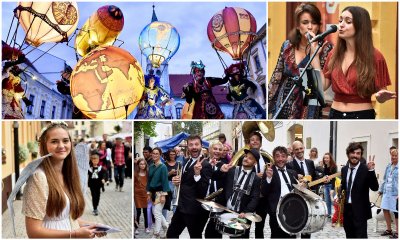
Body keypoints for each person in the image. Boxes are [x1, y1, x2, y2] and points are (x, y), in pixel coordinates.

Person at [22, 122, 106, 238]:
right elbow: (33, 232)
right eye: (54, 141)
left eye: (65, 141)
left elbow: (66, 219)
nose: (61, 146)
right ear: (44, 145)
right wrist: (75, 234)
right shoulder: (39, 177)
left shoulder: (69, 174)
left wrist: (92, 226)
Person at [322, 6, 395, 119]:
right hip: (334, 113)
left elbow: (381, 94)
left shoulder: (375, 57)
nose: (341, 25)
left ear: (361, 26)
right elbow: (323, 86)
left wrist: (381, 96)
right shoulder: (333, 54)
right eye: (340, 20)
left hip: (361, 116)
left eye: (348, 21)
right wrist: (314, 57)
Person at [268, 3, 334, 119]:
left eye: (314, 23)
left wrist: (315, 55)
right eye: (305, 23)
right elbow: (276, 76)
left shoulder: (325, 48)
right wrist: (267, 104)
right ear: (298, 26)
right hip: (284, 101)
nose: (310, 27)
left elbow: (321, 86)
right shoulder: (287, 45)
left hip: (308, 103)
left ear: (318, 26)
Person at [167, 135, 212, 238]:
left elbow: (203, 191)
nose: (194, 147)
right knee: (171, 234)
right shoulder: (186, 161)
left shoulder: (205, 165)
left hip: (194, 211)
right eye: (191, 145)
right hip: (181, 207)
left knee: (195, 236)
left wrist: (197, 174)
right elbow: (185, 182)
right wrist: (177, 180)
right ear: (187, 147)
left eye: (196, 144)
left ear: (201, 146)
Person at [219, 148, 262, 238]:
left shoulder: (256, 179)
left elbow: (255, 198)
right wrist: (221, 171)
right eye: (246, 156)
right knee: (231, 236)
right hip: (229, 211)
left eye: (250, 158)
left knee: (243, 236)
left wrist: (246, 212)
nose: (246, 159)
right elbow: (221, 182)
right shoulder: (232, 171)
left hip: (243, 214)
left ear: (255, 163)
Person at [236, 131, 271, 238]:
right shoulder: (243, 158)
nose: (255, 141)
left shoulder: (266, 158)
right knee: (245, 227)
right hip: (247, 198)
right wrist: (256, 175)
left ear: (260, 143)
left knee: (260, 227)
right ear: (249, 143)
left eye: (257, 140)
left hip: (262, 198)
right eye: (252, 140)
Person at [340, 142, 379, 238]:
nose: (355, 156)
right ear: (348, 154)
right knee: (349, 236)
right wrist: (339, 193)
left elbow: (375, 187)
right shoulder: (344, 169)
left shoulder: (365, 169)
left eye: (358, 153)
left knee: (360, 236)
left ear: (361, 155)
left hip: (360, 211)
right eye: (353, 153)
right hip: (347, 210)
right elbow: (344, 186)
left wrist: (371, 171)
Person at [261, 146, 297, 238]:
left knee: (292, 235)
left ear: (286, 157)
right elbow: (264, 192)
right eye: (277, 156)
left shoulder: (292, 173)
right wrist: (268, 178)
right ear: (273, 158)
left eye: (283, 156)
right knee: (277, 236)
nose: (280, 159)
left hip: (292, 211)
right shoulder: (269, 172)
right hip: (276, 211)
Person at [286, 140, 320, 238]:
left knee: (307, 228)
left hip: (308, 199)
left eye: (301, 148)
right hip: (295, 200)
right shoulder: (289, 164)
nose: (299, 151)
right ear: (293, 151)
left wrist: (322, 180)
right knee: (294, 227)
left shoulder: (310, 162)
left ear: (304, 148)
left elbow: (314, 179)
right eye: (296, 149)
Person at [204, 141, 226, 239]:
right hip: (203, 200)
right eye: (215, 148)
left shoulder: (224, 166)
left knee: (214, 231)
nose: (217, 151)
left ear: (222, 152)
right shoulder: (203, 163)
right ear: (210, 150)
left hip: (218, 202)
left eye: (220, 149)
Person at [147, 148, 170, 238]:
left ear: (160, 155)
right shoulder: (151, 166)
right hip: (153, 193)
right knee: (157, 212)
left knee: (156, 213)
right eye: (153, 153)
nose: (155, 155)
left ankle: (156, 234)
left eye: (157, 153)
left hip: (160, 193)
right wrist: (148, 193)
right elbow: (149, 181)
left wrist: (164, 195)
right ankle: (167, 227)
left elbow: (165, 181)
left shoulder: (163, 167)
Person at [379, 148, 398, 238]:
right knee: (385, 209)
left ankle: (398, 232)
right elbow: (384, 178)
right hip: (387, 191)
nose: (394, 157)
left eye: (395, 155)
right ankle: (389, 229)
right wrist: (381, 189)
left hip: (396, 193)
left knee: (396, 212)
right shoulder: (388, 166)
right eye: (392, 155)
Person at [134, 158, 151, 234]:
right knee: (138, 212)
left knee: (145, 211)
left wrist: (149, 193)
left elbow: (150, 184)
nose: (142, 165)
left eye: (144, 164)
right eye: (141, 164)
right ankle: (136, 227)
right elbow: (134, 184)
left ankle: (146, 227)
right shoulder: (135, 174)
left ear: (146, 165)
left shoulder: (148, 173)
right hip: (137, 194)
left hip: (146, 194)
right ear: (138, 165)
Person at [88, 151, 107, 216]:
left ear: (98, 160)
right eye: (93, 160)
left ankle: (96, 206)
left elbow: (105, 174)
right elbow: (85, 175)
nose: (95, 161)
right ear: (91, 160)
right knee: (94, 196)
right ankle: (95, 208)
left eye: (96, 160)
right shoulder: (89, 168)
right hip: (92, 184)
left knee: (98, 196)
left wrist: (104, 179)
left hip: (98, 184)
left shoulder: (101, 168)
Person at [164, 149, 181, 215]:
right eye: (170, 154)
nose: (172, 156)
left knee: (175, 203)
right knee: (166, 203)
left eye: (173, 154)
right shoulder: (164, 164)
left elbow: (181, 175)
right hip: (167, 184)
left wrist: (178, 173)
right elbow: (163, 176)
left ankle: (174, 220)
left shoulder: (178, 164)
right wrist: (170, 173)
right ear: (168, 155)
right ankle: (164, 221)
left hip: (176, 184)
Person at [322, 152, 337, 218]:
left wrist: (332, 189)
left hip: (331, 186)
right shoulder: (325, 166)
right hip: (326, 186)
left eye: (327, 158)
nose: (325, 159)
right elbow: (324, 177)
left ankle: (336, 215)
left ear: (330, 159)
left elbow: (334, 179)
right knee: (327, 201)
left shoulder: (334, 167)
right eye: (324, 158)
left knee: (333, 201)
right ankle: (329, 214)